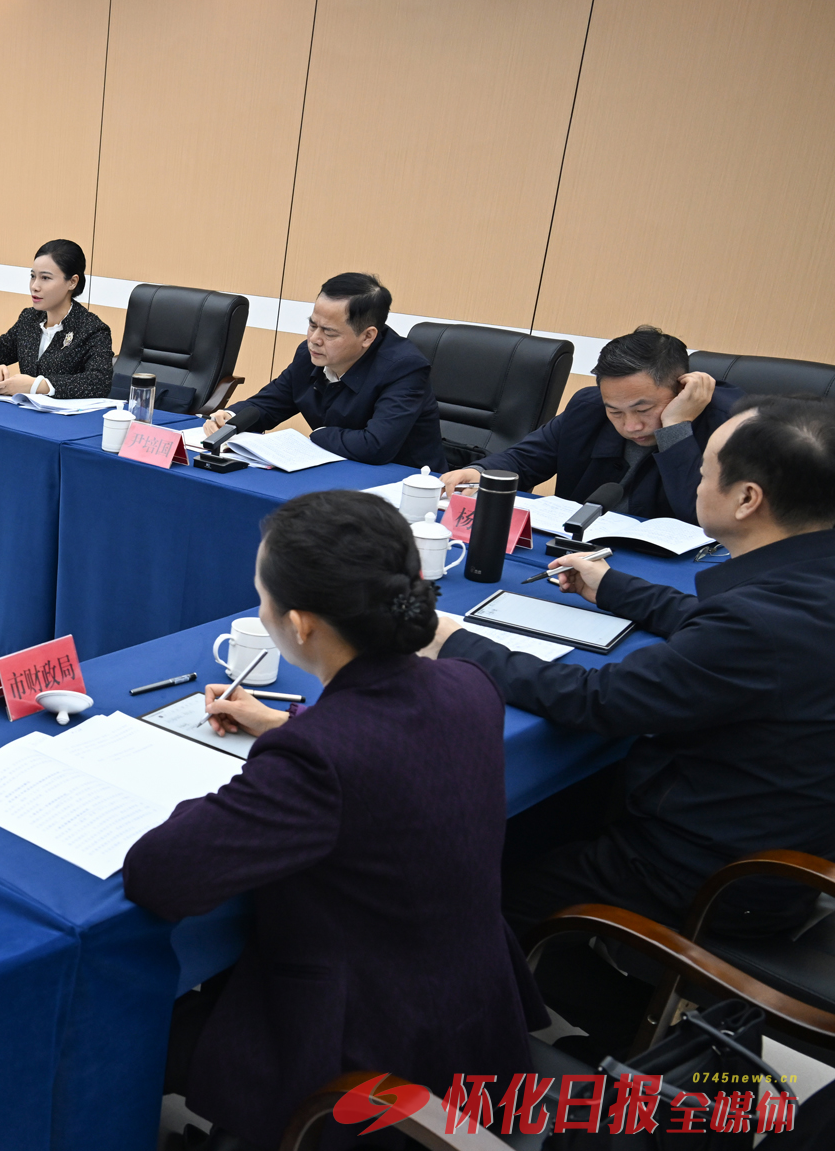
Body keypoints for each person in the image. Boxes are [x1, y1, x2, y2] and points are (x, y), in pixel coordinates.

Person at [124, 490, 542, 1150]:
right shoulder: (469, 684)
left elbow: (159, 873)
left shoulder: (317, 757)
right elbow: (389, 748)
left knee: (136, 1026)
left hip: (359, 1053)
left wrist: (282, 751)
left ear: (300, 624)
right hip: (474, 1019)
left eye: (260, 597)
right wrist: (284, 724)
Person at [422, 395, 835, 1053]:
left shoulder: (756, 624)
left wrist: (454, 642)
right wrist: (612, 586)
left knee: (470, 887)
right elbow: (730, 632)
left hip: (709, 872)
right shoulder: (802, 586)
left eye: (705, 468)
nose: (694, 478)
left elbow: (597, 701)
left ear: (747, 499)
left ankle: (640, 1038)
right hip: (783, 836)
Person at [438, 326, 741, 523]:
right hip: (579, 551)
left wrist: (676, 426)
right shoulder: (589, 408)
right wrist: (479, 472)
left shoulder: (730, 425)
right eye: (615, 412)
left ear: (681, 388)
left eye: (644, 409)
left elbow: (703, 516)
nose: (631, 426)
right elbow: (525, 459)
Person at [204, 273, 445, 468]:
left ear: (367, 336)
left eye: (329, 332)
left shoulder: (404, 368)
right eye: (312, 325)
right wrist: (231, 419)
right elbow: (269, 404)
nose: (314, 339)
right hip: (338, 469)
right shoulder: (309, 355)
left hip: (404, 486)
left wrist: (318, 435)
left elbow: (375, 446)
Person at [0, 239, 114, 399]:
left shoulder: (92, 329)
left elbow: (99, 382)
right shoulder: (29, 319)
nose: (34, 286)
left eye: (45, 278)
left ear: (72, 282)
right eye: (33, 276)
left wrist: (38, 386)